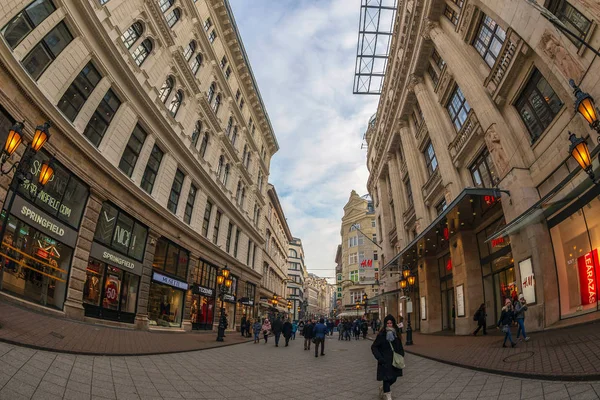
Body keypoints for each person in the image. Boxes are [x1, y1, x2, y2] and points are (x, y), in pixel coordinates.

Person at [371, 315, 404, 400]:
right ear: (385, 324)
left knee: (394, 378)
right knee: (386, 378)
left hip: (395, 360)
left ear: (393, 324)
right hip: (385, 360)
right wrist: (380, 358)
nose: (389, 325)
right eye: (388, 323)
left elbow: (399, 346)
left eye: (391, 323)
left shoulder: (396, 334)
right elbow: (374, 347)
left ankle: (383, 388)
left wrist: (401, 354)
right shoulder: (382, 334)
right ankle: (388, 395)